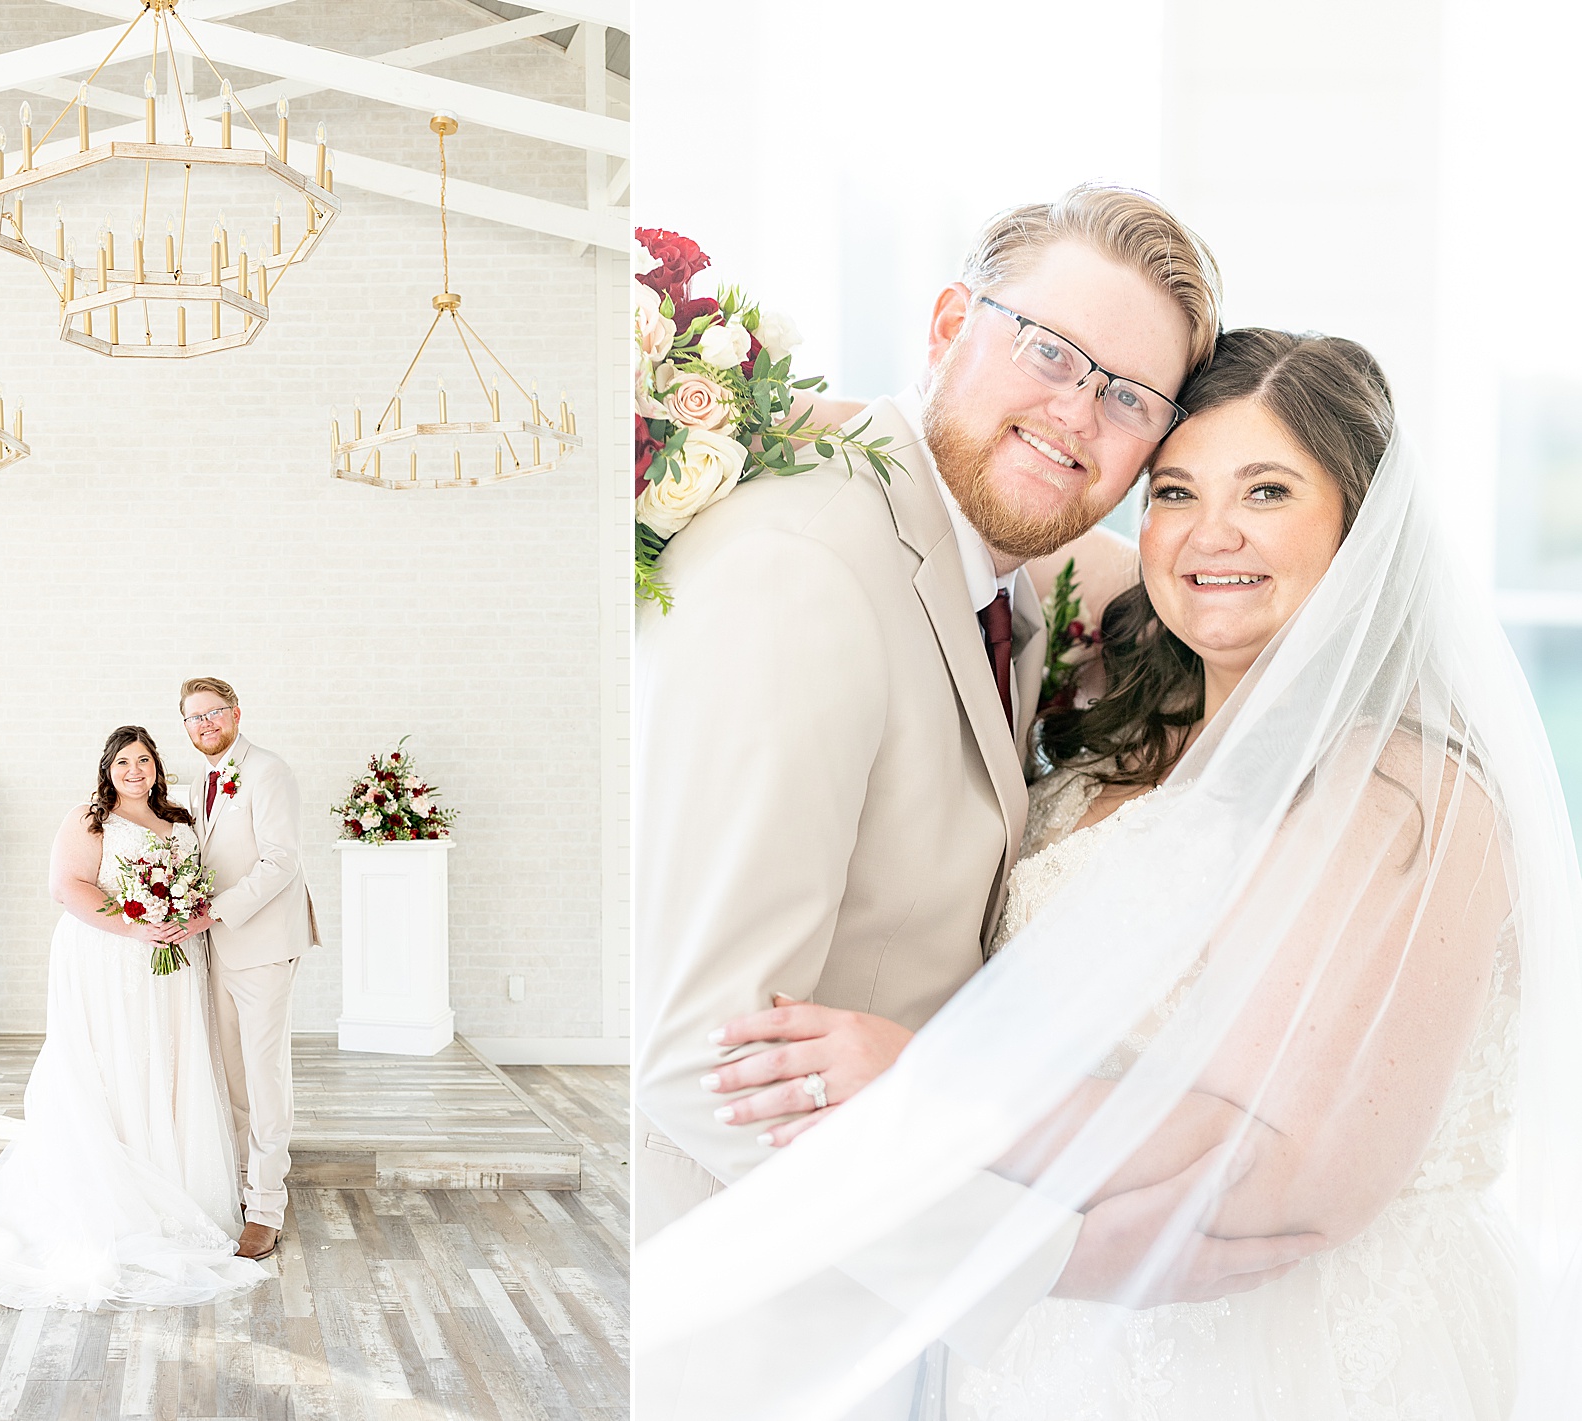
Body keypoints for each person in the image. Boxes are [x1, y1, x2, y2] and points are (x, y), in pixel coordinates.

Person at [640, 330, 1582, 1419]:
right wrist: (678, 387)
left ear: (1360, 524)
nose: (1211, 532)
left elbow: (1294, 1172)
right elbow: (955, 476)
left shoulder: (1401, 793)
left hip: (1274, 1346)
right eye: (1175, 490)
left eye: (1268, 489)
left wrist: (925, 1087)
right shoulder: (1129, 680)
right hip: (1038, 1340)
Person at [635, 186, 1321, 1404]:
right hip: (747, 1340)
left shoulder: (998, 570)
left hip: (881, 1338)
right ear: (950, 320)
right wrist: (1028, 1260)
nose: (1075, 410)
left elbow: (1191, 576)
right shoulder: (801, 573)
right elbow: (703, 1058)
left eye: (1126, 397)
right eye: (1048, 350)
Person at [0, 727, 265, 1310]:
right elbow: (65, 887)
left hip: (170, 960)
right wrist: (136, 923)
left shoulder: (179, 822)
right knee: (112, 1059)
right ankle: (115, 1181)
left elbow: (198, 886)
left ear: (156, 767)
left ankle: (170, 1175)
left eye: (144, 760)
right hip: (109, 956)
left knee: (167, 1058)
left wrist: (181, 914)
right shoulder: (89, 820)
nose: (134, 770)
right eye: (123, 761)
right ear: (107, 768)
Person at [170, 676, 320, 1262]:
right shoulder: (198, 781)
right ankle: (238, 1184)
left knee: (263, 1076)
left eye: (213, 713)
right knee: (231, 1075)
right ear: (185, 726)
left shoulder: (268, 770)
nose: (204, 724)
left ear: (236, 713)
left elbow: (281, 860)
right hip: (217, 950)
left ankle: (266, 1208)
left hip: (260, 945)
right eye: (193, 717)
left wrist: (215, 912)